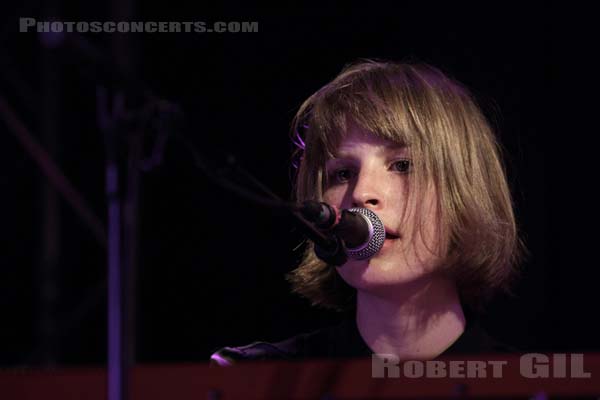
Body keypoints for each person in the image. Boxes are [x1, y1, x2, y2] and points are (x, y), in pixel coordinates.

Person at [210, 60, 524, 366]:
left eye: (403, 166)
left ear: (466, 189)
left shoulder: (527, 386)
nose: (361, 194)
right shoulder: (256, 377)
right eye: (343, 174)